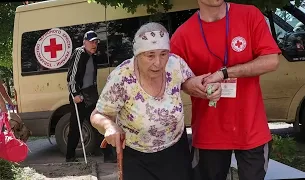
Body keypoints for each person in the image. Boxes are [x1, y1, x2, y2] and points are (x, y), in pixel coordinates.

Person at [90, 22, 221, 180]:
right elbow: (97, 115)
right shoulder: (122, 78)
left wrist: (206, 89)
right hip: (136, 157)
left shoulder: (175, 64)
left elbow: (189, 84)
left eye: (163, 54)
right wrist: (109, 126)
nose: (158, 63)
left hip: (175, 152)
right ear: (137, 55)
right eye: (150, 55)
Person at [170, 1, 281, 180]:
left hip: (250, 129)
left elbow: (271, 60)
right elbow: (173, 79)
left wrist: (224, 73)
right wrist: (193, 85)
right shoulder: (183, 34)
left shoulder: (250, 15)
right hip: (209, 132)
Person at [66, 30, 115, 162]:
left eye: (96, 42)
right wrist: (75, 94)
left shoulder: (92, 57)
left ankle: (108, 155)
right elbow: (71, 77)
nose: (94, 44)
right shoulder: (79, 53)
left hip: (91, 96)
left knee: (99, 124)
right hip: (80, 97)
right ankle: (70, 156)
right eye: (91, 42)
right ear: (84, 42)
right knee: (76, 127)